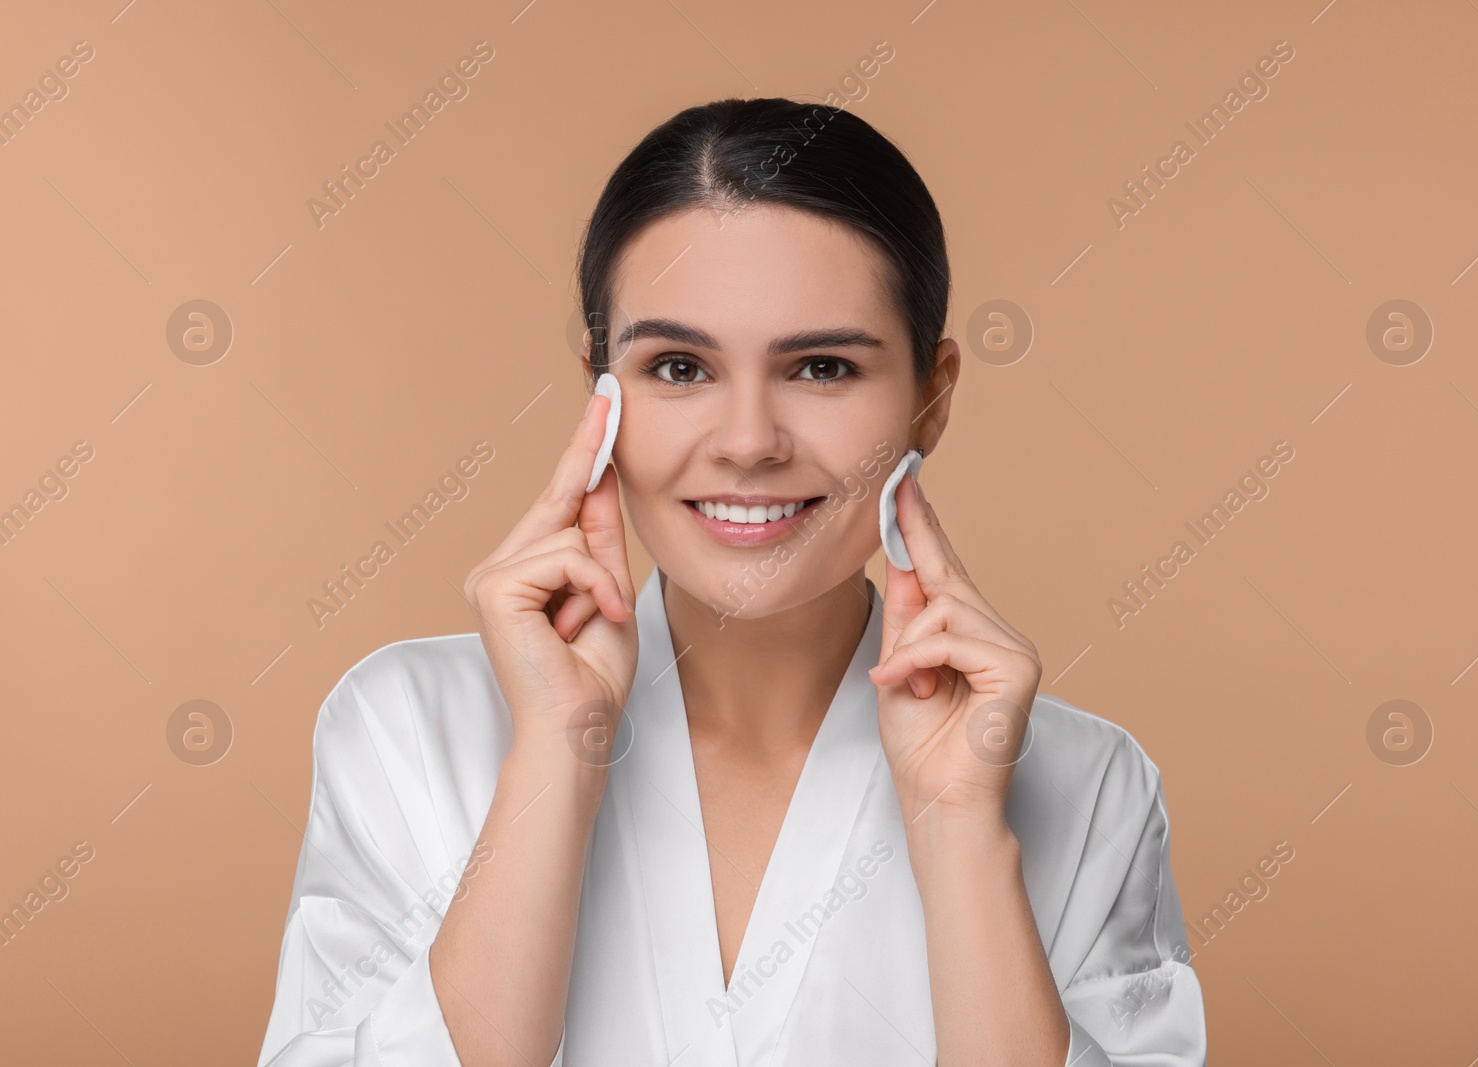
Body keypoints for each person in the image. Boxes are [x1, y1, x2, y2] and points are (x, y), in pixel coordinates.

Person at [257, 97, 1205, 1067]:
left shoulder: (1087, 786)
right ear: (600, 390)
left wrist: (961, 830)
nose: (749, 441)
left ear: (932, 396)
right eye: (678, 366)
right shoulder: (407, 727)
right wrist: (555, 754)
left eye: (822, 366)